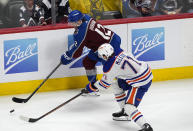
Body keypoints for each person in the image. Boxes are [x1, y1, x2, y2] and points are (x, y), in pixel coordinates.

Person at [82, 43, 153, 131]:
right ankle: (125, 112)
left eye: (101, 56)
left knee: (129, 107)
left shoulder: (110, 67)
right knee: (116, 85)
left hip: (140, 82)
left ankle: (146, 126)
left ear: (104, 56)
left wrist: (90, 87)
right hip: (143, 71)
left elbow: (103, 85)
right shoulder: (120, 52)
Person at [60, 10, 122, 95]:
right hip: (108, 41)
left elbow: (76, 52)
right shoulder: (87, 17)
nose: (72, 26)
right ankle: (93, 86)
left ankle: (124, 84)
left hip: (108, 47)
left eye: (73, 23)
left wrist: (67, 56)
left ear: (79, 21)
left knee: (112, 67)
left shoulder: (81, 32)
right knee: (88, 62)